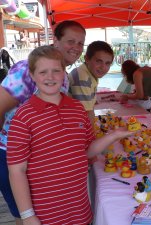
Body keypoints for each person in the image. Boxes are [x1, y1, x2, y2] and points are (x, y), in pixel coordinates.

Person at [6, 46, 133, 225]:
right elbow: (16, 171)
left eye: (56, 71)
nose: (50, 77)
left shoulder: (77, 108)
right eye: (43, 72)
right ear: (33, 76)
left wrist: (113, 136)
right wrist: (27, 215)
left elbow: (87, 151)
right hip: (45, 214)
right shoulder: (23, 117)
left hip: (79, 209)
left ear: (64, 74)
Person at [0, 20, 86, 224]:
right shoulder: (27, 70)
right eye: (70, 41)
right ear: (55, 40)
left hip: (39, 158)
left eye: (81, 43)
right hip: (12, 157)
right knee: (25, 216)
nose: (76, 48)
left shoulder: (62, 76)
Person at [68, 41, 114, 124]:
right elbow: (86, 114)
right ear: (87, 59)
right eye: (98, 61)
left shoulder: (89, 73)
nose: (103, 67)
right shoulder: (82, 78)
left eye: (107, 63)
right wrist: (93, 135)